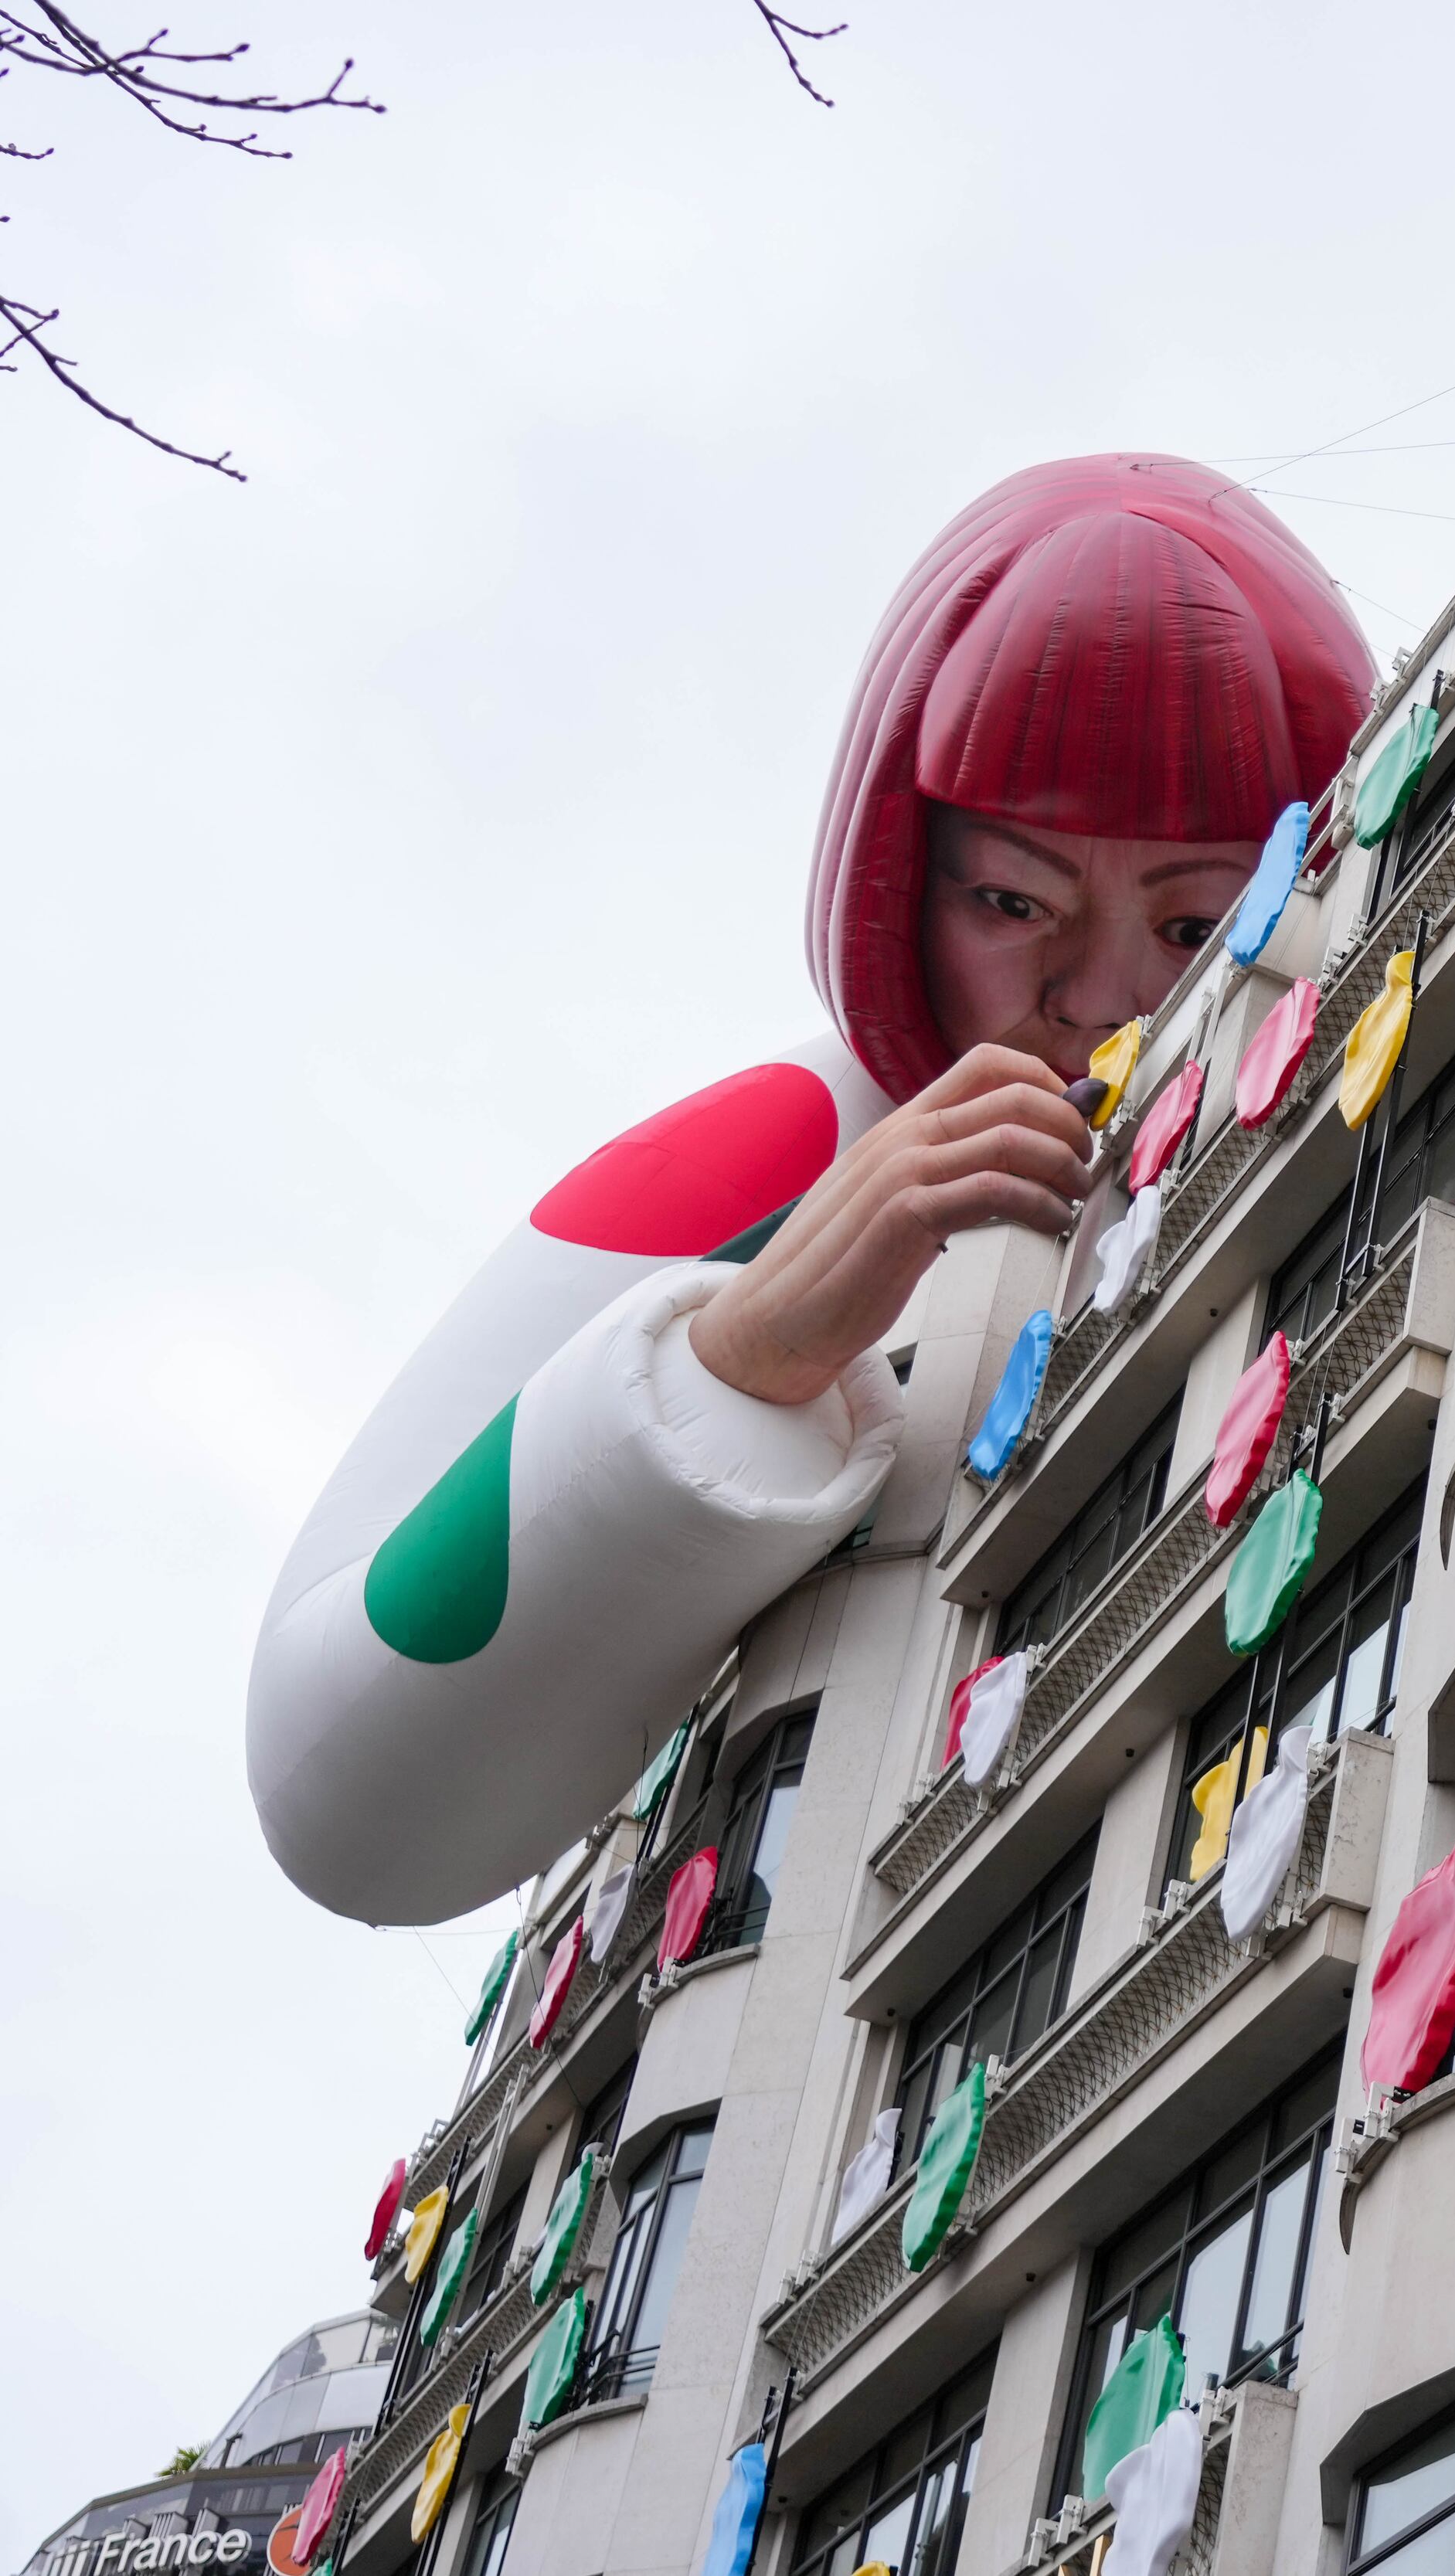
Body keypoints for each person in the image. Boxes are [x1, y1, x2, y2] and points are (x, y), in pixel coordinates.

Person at [248, 456, 1372, 1926]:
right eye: (1014, 901)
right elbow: (333, 1787)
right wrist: (743, 1356)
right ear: (905, 883)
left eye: (1187, 916)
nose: (1100, 994)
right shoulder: (800, 1133)